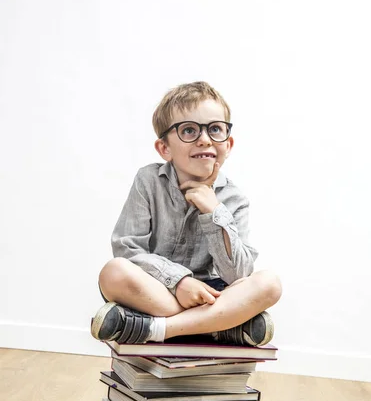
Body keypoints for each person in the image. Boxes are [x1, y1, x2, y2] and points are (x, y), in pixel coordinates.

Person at [91, 81, 282, 346]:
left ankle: (158, 329)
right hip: (158, 289)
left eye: (215, 129)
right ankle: (219, 326)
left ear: (228, 143)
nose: (205, 139)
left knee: (269, 284)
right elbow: (127, 249)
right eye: (189, 130)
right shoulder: (148, 180)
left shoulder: (234, 199)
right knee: (113, 272)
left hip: (212, 293)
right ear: (164, 148)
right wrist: (178, 282)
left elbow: (238, 275)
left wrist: (214, 211)